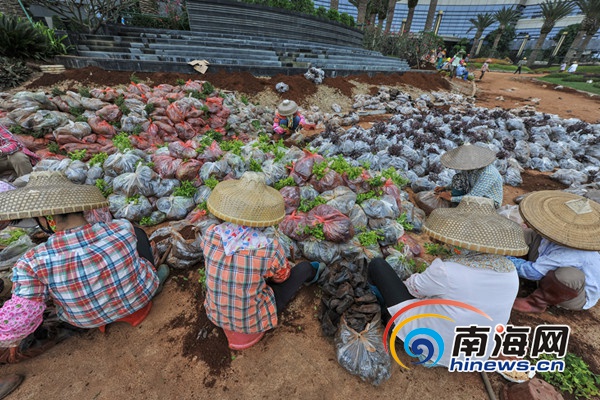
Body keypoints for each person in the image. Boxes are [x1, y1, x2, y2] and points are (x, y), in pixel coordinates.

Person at [0, 171, 169, 363]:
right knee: (139, 236)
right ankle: (153, 280)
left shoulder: (31, 262)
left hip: (83, 320)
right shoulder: (122, 227)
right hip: (139, 297)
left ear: (49, 220)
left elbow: (20, 317)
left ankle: (100, 309)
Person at [368, 196, 526, 367]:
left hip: (432, 348)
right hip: (476, 353)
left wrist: (422, 275)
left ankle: (381, 309)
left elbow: (413, 289)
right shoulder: (510, 272)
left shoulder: (447, 270)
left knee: (378, 265)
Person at [201, 172, 324, 350]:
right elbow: (282, 277)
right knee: (303, 268)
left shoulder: (210, 233)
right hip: (251, 321)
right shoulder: (268, 248)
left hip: (215, 313)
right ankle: (314, 273)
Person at [508, 191, 600, 313]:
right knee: (528, 234)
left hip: (573, 295)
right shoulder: (559, 235)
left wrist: (505, 261)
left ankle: (536, 303)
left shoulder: (571, 252)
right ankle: (513, 275)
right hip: (546, 269)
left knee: (567, 276)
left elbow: (534, 272)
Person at [434, 143, 504, 209]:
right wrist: (445, 187)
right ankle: (457, 205)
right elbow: (463, 179)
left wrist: (451, 198)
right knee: (458, 177)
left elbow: (474, 196)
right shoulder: (470, 167)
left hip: (489, 201)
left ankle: (459, 205)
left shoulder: (488, 173)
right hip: (474, 194)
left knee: (469, 207)